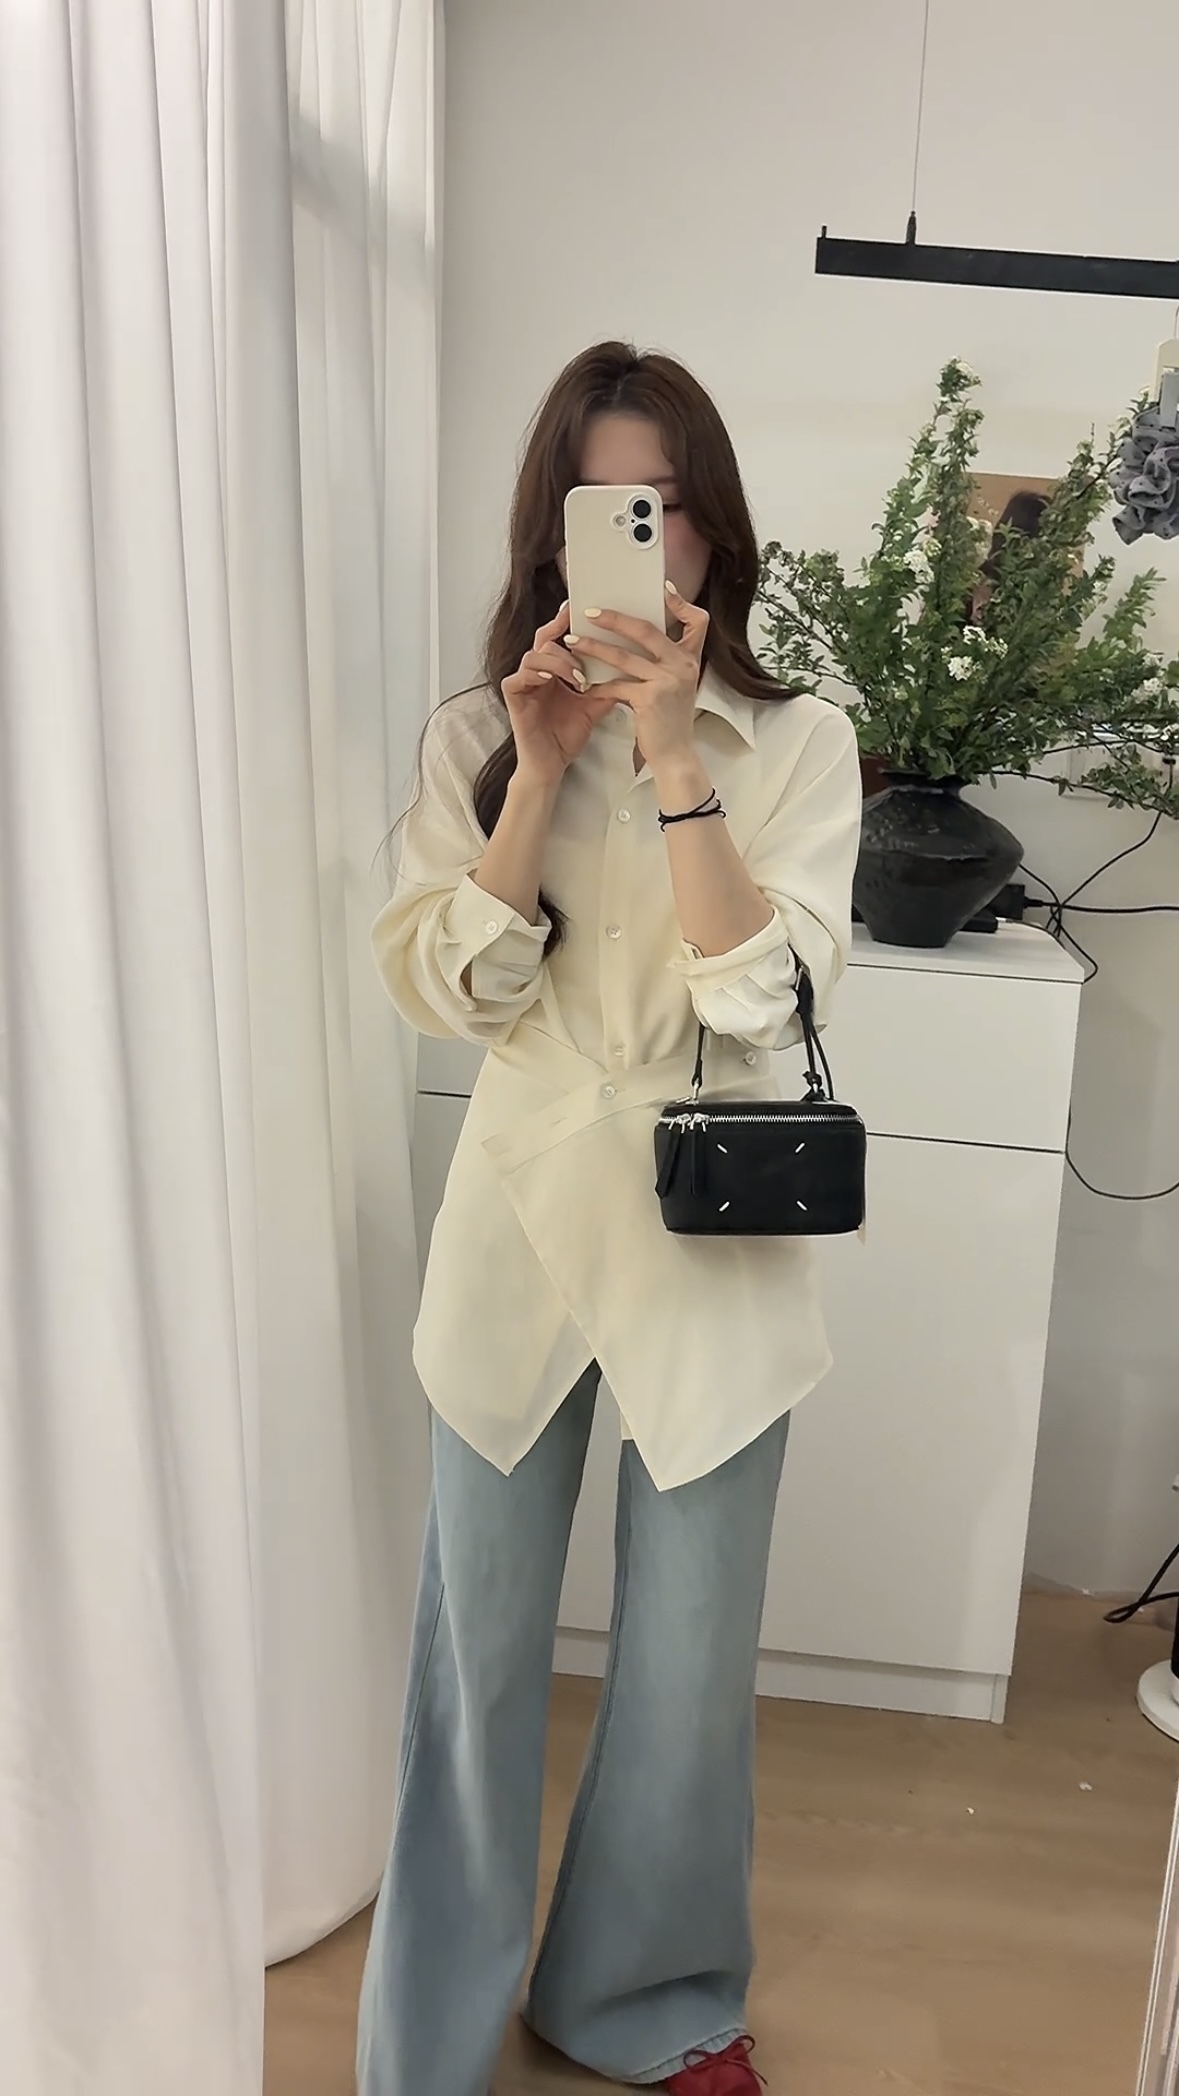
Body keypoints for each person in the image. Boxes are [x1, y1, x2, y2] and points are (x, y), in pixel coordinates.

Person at [356, 342, 862, 2096]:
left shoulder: (801, 742)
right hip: (518, 1219)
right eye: (609, 512)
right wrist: (536, 766)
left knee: (689, 1663)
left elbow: (763, 999)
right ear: (557, 535)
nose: (650, 544)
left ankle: (642, 2000)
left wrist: (669, 751)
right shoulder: (470, 737)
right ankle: (429, 2038)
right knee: (474, 1658)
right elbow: (453, 993)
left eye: (672, 508)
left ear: (714, 528)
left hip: (711, 1224)